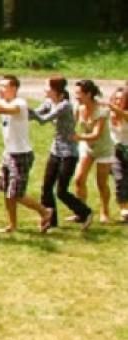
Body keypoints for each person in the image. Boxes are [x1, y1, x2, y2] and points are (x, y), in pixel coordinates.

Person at [0, 74, 52, 232]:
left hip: (21, 154)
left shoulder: (20, 103)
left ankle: (45, 212)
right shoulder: (2, 100)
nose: (0, 89)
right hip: (8, 153)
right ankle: (12, 224)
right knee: (6, 191)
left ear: (14, 88)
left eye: (4, 86)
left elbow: (2, 109)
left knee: (17, 194)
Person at [73, 79, 115, 228]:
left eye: (79, 93)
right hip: (87, 147)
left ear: (88, 94)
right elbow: (71, 124)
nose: (76, 96)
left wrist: (77, 137)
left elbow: (96, 134)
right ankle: (82, 212)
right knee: (79, 179)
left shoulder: (101, 111)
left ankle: (105, 212)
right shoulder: (78, 107)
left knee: (101, 183)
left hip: (104, 149)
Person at [106, 87, 128, 222]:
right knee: (120, 179)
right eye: (116, 98)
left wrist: (113, 108)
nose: (118, 101)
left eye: (121, 99)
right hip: (115, 151)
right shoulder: (109, 114)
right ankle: (125, 210)